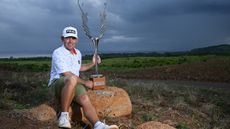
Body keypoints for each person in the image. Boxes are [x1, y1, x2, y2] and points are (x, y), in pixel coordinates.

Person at [48, 26, 118, 129]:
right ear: (62, 39)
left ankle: (98, 125)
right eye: (67, 38)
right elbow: (67, 74)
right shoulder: (58, 52)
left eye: (73, 38)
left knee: (84, 98)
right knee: (72, 79)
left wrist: (92, 63)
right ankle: (63, 117)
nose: (70, 41)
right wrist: (85, 82)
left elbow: (79, 68)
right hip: (58, 83)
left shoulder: (78, 53)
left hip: (73, 83)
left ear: (77, 40)